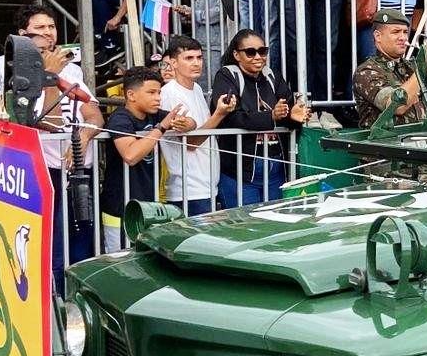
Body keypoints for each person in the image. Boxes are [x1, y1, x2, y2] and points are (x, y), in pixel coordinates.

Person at [0, 5, 104, 287]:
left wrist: (83, 138)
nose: (48, 34)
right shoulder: (4, 65)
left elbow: (94, 113)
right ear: (22, 34)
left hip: (76, 167)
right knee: (49, 244)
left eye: (51, 27)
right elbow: (18, 117)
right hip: (37, 167)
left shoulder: (71, 69)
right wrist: (49, 75)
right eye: (40, 28)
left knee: (80, 240)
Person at [209, 29, 308, 207]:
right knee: (245, 227)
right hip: (240, 171)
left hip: (277, 166)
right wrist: (270, 115)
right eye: (250, 52)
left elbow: (283, 114)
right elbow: (231, 118)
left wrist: (293, 117)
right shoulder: (227, 75)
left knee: (275, 224)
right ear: (236, 54)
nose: (258, 56)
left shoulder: (272, 75)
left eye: (263, 51)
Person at [100, 67, 194, 252]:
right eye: (151, 92)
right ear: (131, 95)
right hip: (120, 208)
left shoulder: (155, 115)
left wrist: (186, 123)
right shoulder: (119, 118)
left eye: (159, 92)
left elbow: (189, 121)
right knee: (121, 262)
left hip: (147, 207)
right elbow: (131, 155)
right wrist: (161, 128)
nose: (158, 97)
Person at [158, 36, 231, 216]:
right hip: (188, 189)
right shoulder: (170, 92)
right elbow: (192, 143)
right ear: (173, 63)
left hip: (206, 184)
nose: (196, 63)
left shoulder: (197, 89)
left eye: (199, 58)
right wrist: (219, 114)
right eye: (189, 58)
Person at [352, 11, 427, 127]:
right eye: (396, 32)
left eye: (405, 32)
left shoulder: (411, 66)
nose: (403, 38)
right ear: (378, 36)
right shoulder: (366, 72)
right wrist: (424, 67)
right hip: (385, 142)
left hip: (420, 138)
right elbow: (397, 106)